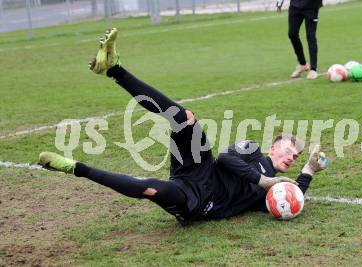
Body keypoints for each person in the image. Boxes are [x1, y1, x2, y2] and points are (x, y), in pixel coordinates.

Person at [38, 29, 328, 226]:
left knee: (149, 189)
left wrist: (309, 170)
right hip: (201, 168)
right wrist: (262, 179)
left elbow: (292, 197)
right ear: (273, 147)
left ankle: (74, 167)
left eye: (294, 158)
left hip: (199, 200)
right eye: (288, 151)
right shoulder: (252, 150)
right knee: (183, 117)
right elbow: (226, 158)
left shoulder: (272, 194)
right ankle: (113, 68)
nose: (290, 158)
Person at [276, 0, 323, 80]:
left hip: (312, 6)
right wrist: (279, 2)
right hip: (295, 5)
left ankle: (313, 69)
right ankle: (302, 64)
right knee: (292, 34)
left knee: (310, 36)